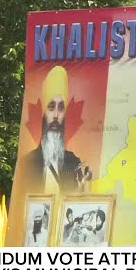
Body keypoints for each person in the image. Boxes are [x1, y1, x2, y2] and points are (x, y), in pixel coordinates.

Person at [24, 65, 92, 194]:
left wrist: (85, 186)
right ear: (43, 114)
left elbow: (79, 200)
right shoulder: (28, 163)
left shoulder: (73, 162)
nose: (56, 115)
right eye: (51, 107)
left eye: (61, 108)